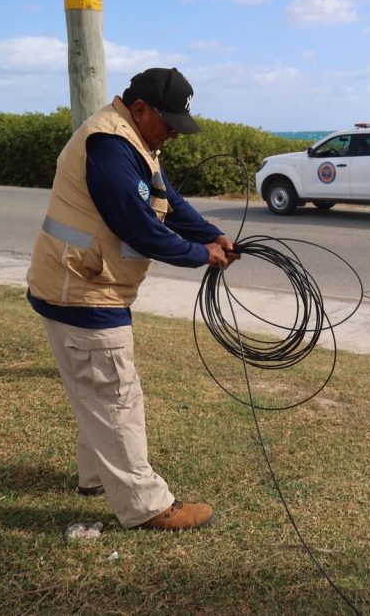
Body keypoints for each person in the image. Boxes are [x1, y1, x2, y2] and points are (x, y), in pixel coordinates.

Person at [26, 67, 239, 531]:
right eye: (169, 125)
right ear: (140, 109)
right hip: (82, 292)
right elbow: (139, 226)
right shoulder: (110, 145)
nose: (174, 138)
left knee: (96, 392)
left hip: (80, 284)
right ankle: (147, 506)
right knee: (115, 394)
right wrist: (199, 254)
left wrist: (212, 234)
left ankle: (96, 476)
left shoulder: (138, 141)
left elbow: (169, 202)